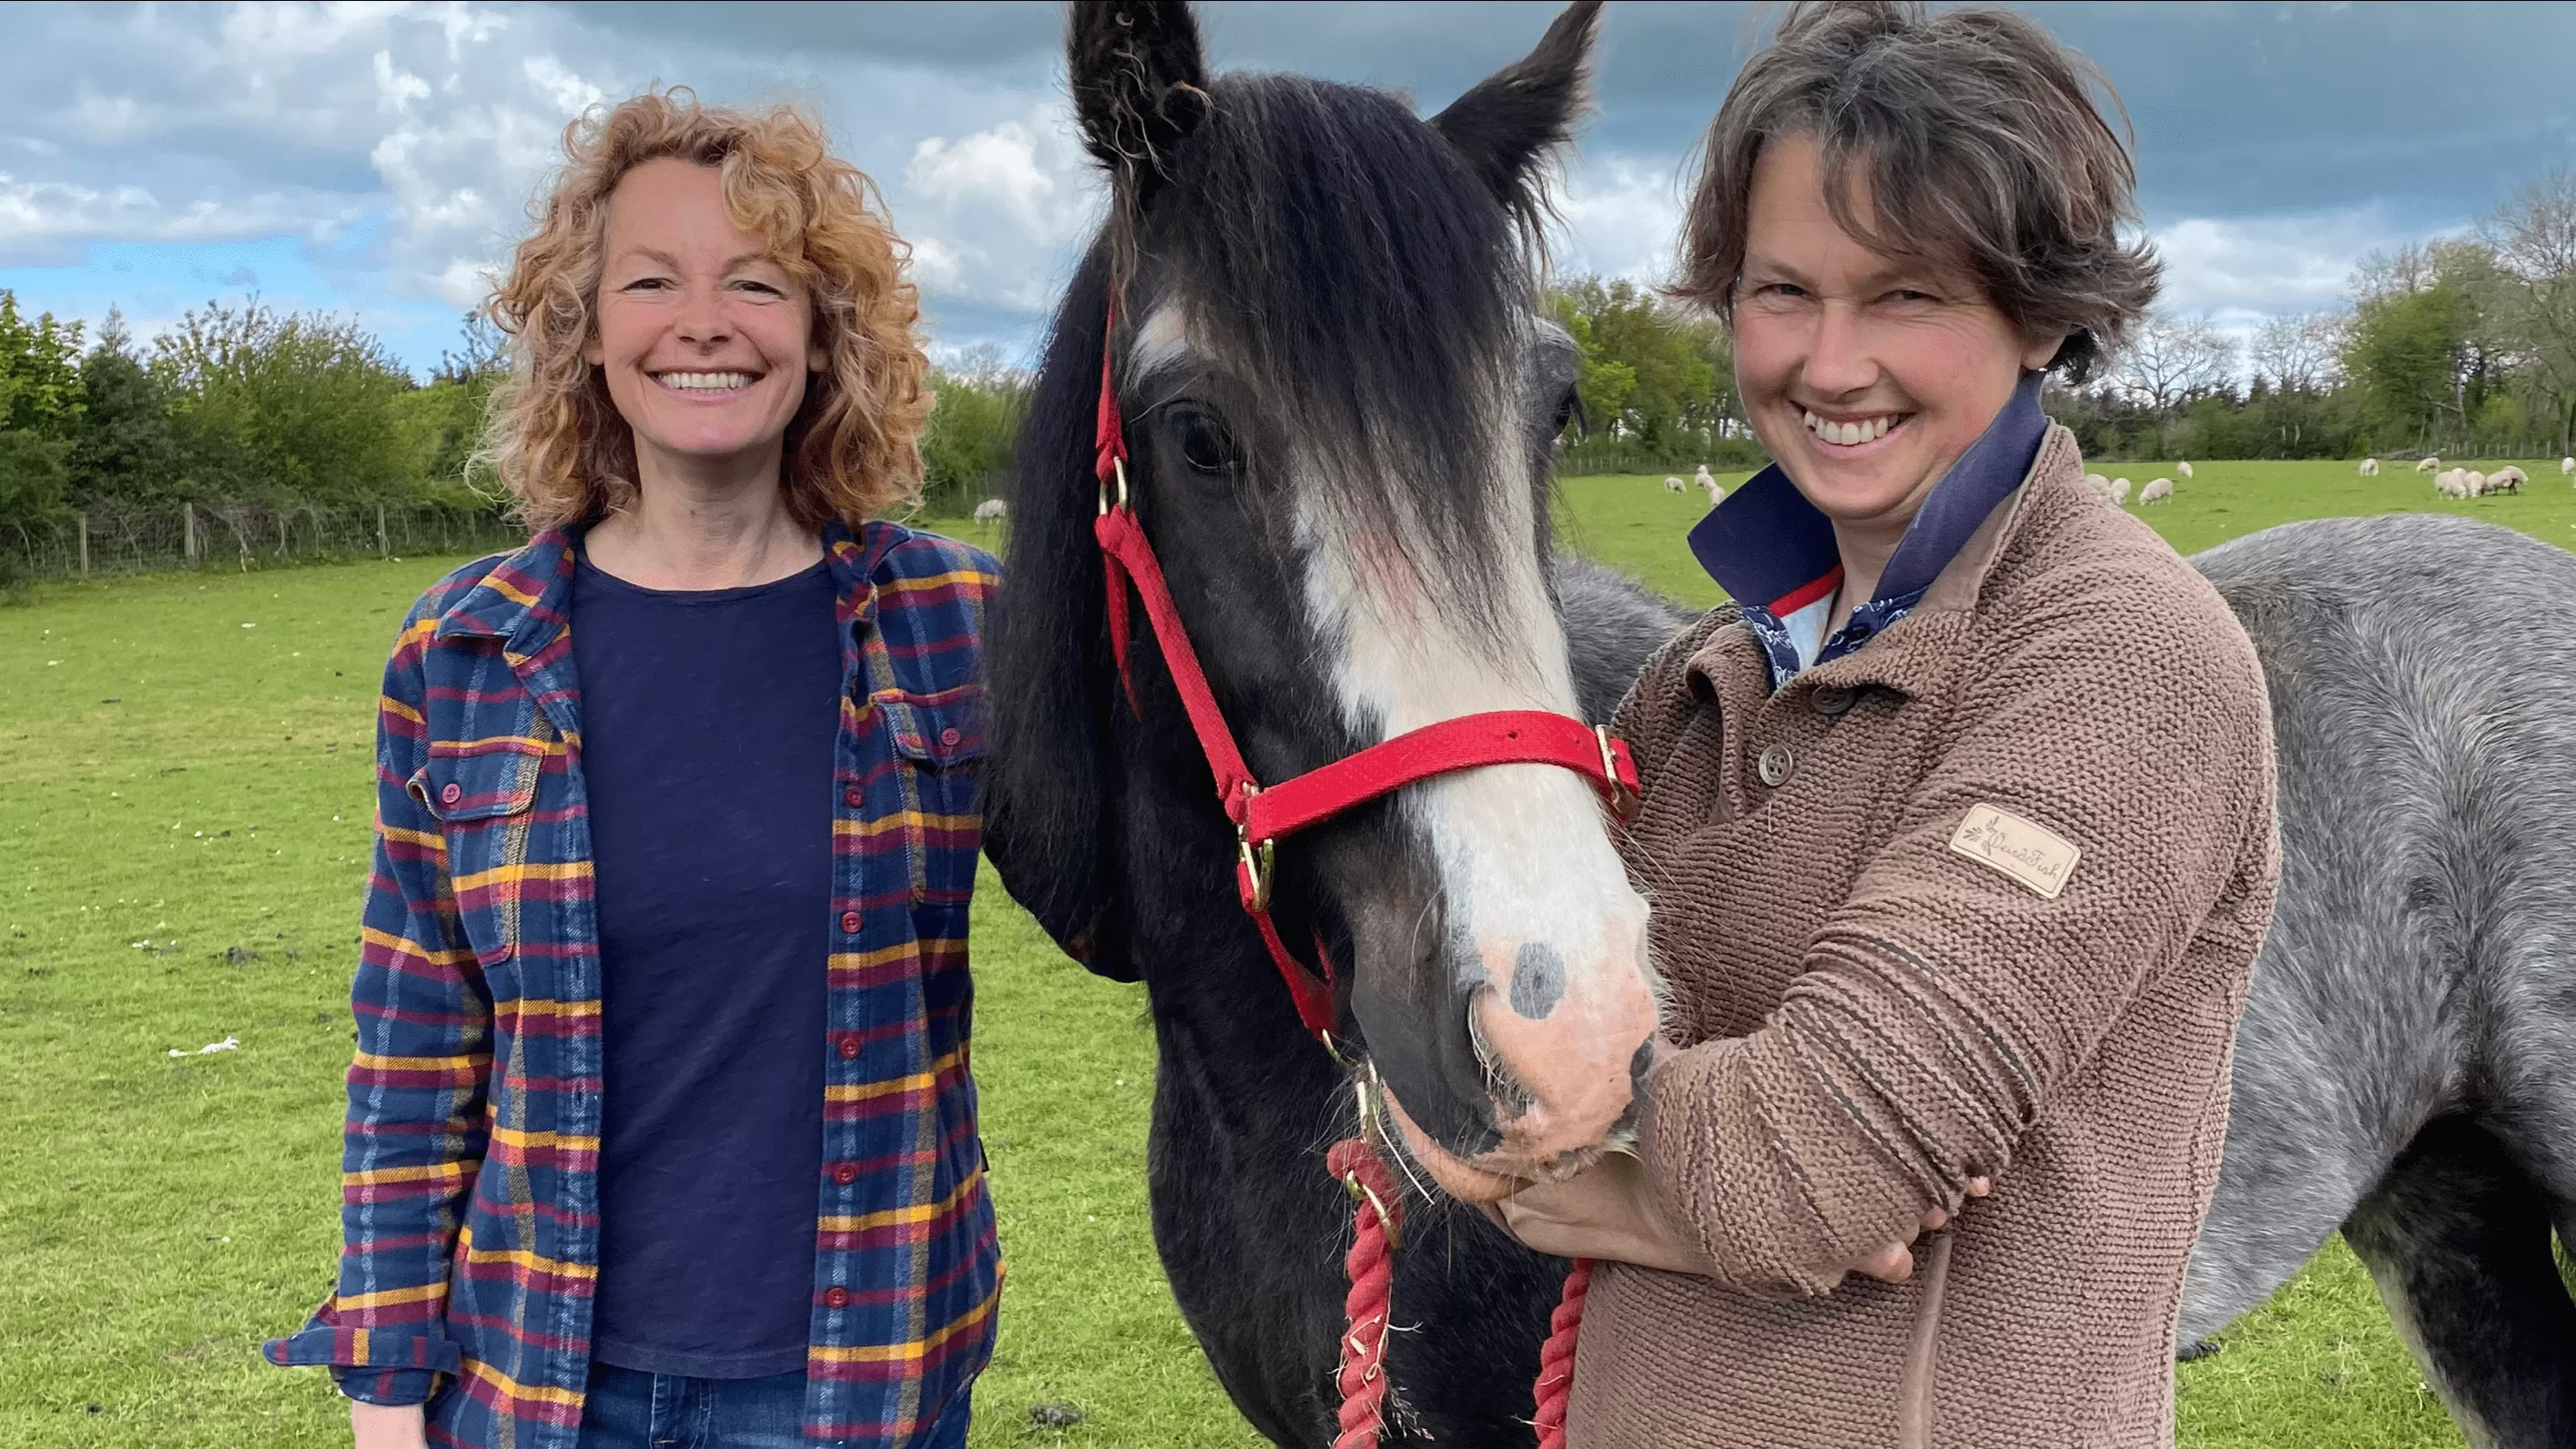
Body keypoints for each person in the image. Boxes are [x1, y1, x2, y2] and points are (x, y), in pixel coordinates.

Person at [1495, 5, 2278, 1447]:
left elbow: (1805, 1177)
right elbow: (1470, 1062)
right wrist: (1676, 1183)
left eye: (1907, 295)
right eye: (1781, 290)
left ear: (2041, 313)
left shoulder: (2129, 665)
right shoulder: (1693, 681)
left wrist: (1613, 1178)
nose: (1830, 361)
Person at [263, 91, 999, 1449]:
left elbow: (1144, 904)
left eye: (757, 283)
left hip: (860, 1376)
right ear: (587, 333)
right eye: (652, 281)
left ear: (825, 332)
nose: (703, 322)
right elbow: (416, 1043)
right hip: (536, 1382)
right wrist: (385, 1388)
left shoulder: (957, 623)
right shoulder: (464, 647)